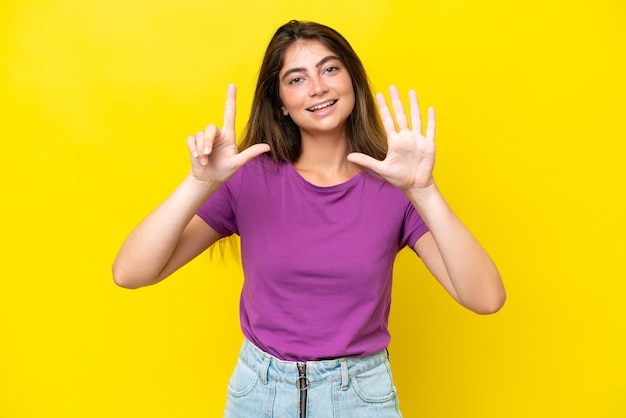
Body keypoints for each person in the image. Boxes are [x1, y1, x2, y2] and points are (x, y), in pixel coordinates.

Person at [112, 20, 505, 418]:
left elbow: (486, 299)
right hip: (259, 394)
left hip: (360, 396)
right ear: (281, 101)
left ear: (352, 78)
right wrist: (199, 183)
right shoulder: (249, 179)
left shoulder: (395, 188)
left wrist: (424, 191)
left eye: (330, 69)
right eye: (296, 79)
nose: (317, 87)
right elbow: (131, 272)